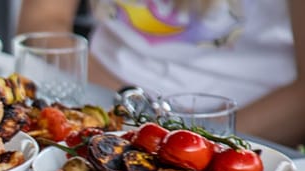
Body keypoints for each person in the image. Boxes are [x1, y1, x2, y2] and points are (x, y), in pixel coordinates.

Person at [17, 0, 305, 148]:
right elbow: (43, 24)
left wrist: (195, 144)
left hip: (243, 132)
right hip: (104, 107)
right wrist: (129, 110)